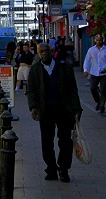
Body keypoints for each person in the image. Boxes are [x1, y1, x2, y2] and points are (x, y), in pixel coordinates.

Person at [26, 42, 82, 183]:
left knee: (65, 141)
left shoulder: (64, 67)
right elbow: (31, 90)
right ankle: (51, 168)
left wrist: (77, 108)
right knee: (47, 141)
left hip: (64, 109)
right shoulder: (35, 69)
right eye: (41, 51)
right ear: (38, 54)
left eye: (47, 50)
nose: (45, 53)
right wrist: (33, 107)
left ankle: (64, 169)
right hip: (45, 111)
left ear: (51, 52)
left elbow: (73, 89)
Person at [83, 34, 106, 114]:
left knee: (103, 90)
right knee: (92, 87)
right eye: (97, 40)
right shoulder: (91, 50)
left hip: (104, 73)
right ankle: (98, 101)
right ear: (95, 41)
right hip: (94, 72)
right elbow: (87, 60)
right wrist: (86, 70)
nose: (98, 41)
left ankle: (102, 106)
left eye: (100, 40)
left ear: (102, 40)